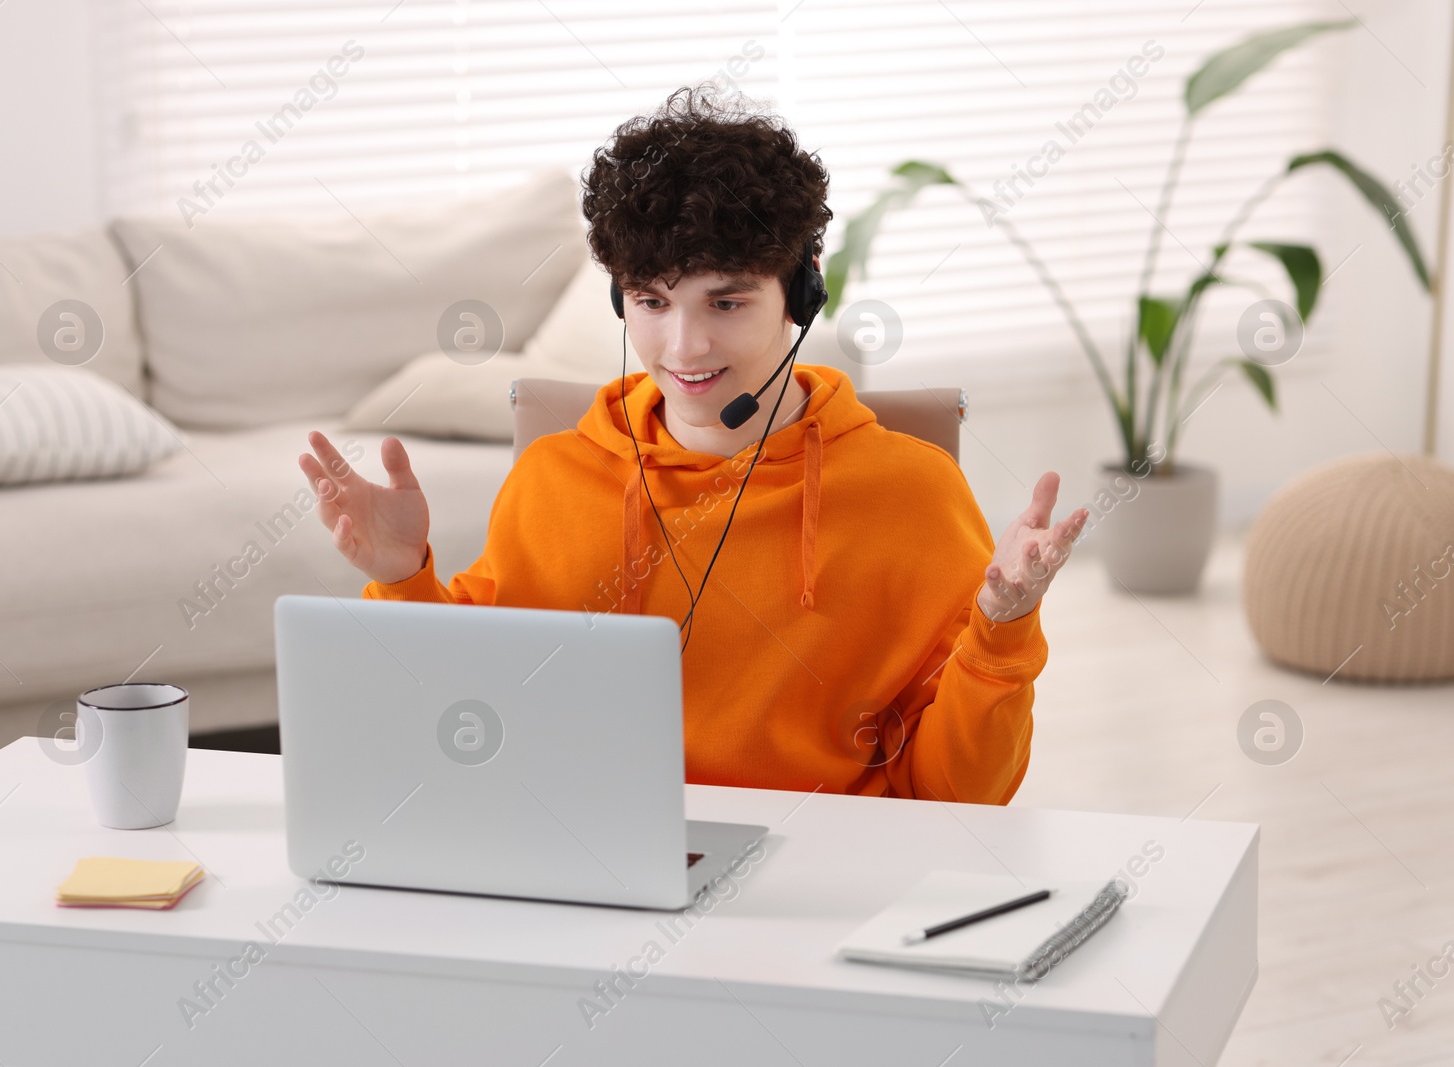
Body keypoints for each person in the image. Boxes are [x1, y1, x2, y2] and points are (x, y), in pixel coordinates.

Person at [298, 84, 1088, 804]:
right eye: (651, 300)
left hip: (817, 880)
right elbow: (468, 722)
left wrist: (1001, 625)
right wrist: (405, 577)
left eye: (727, 301)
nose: (684, 346)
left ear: (803, 291)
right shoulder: (552, 480)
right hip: (593, 860)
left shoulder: (911, 493)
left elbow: (960, 798)